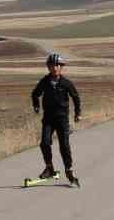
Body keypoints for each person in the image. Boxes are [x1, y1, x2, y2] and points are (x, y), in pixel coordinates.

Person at [31, 52, 82, 184]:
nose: (55, 68)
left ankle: (69, 170)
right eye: (52, 65)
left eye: (58, 65)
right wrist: (36, 106)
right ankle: (49, 168)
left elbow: (75, 97)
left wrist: (78, 113)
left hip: (62, 120)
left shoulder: (66, 83)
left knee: (64, 146)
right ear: (48, 67)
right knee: (44, 143)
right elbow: (35, 94)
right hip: (48, 119)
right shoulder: (45, 81)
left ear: (61, 67)